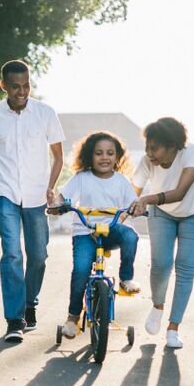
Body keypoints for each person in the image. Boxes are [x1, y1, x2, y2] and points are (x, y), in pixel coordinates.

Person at [0, 59, 65, 343]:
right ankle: (14, 319)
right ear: (4, 86)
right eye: (15, 87)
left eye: (26, 85)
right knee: (12, 254)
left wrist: (51, 187)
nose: (22, 91)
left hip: (37, 195)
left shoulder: (45, 113)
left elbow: (58, 156)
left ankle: (30, 304)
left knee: (38, 255)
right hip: (5, 194)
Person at [50, 131, 140, 339]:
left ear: (117, 157)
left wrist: (136, 208)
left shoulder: (121, 181)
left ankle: (126, 279)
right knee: (81, 270)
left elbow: (133, 203)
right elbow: (62, 197)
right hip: (85, 232)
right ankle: (72, 317)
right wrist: (57, 205)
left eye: (110, 153)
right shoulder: (82, 178)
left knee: (131, 236)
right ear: (90, 156)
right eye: (99, 153)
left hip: (110, 230)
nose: (105, 157)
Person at [130, 117, 194, 349]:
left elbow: (180, 192)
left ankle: (173, 329)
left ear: (173, 145)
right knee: (161, 264)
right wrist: (124, 211)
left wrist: (146, 199)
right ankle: (157, 306)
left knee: (185, 267)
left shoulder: (191, 154)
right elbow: (131, 191)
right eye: (147, 147)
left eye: (154, 148)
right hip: (162, 214)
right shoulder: (148, 162)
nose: (149, 153)